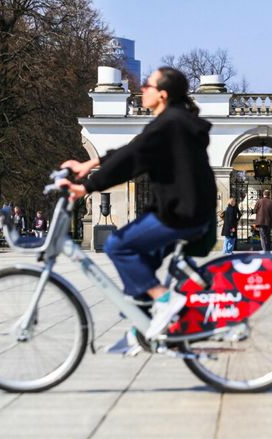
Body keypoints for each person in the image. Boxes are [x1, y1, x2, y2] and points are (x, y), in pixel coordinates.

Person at [58, 67, 216, 341]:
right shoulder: (173, 121)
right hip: (188, 211)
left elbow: (134, 157)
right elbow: (136, 147)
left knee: (118, 245)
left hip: (181, 215)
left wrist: (87, 187)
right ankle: (145, 327)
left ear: (162, 94)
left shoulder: (170, 123)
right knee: (140, 262)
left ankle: (165, 301)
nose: (142, 89)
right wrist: (91, 163)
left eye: (147, 85)